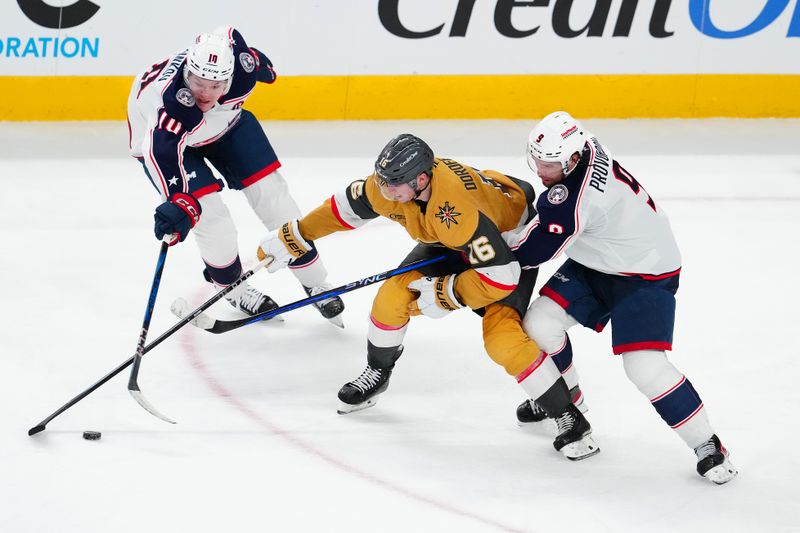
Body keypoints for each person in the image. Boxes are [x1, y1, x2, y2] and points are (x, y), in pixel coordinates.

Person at [258, 133, 600, 461]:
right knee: (393, 295)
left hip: (507, 247)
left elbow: (501, 277)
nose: (386, 191)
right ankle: (377, 374)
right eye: (383, 181)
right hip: (451, 239)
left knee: (502, 338)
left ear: (421, 180)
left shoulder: (457, 209)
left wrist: (448, 292)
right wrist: (298, 235)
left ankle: (568, 415)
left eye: (395, 185)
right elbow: (346, 207)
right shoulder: (390, 186)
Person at [505, 110, 737, 483]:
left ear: (573, 159)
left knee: (643, 366)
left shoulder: (575, 200)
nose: (540, 171)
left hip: (645, 272)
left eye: (549, 164)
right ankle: (567, 404)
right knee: (539, 323)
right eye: (537, 160)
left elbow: (533, 252)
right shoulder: (586, 144)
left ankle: (707, 444)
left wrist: (479, 252)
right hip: (602, 260)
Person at [126, 26, 344, 325]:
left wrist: (260, 64)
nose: (205, 93)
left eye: (216, 86)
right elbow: (159, 152)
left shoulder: (242, 69)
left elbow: (228, 34)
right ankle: (233, 288)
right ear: (186, 73)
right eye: (198, 83)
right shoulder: (170, 105)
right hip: (172, 145)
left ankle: (315, 281)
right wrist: (179, 204)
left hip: (224, 126)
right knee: (213, 222)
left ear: (229, 79)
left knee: (275, 200)